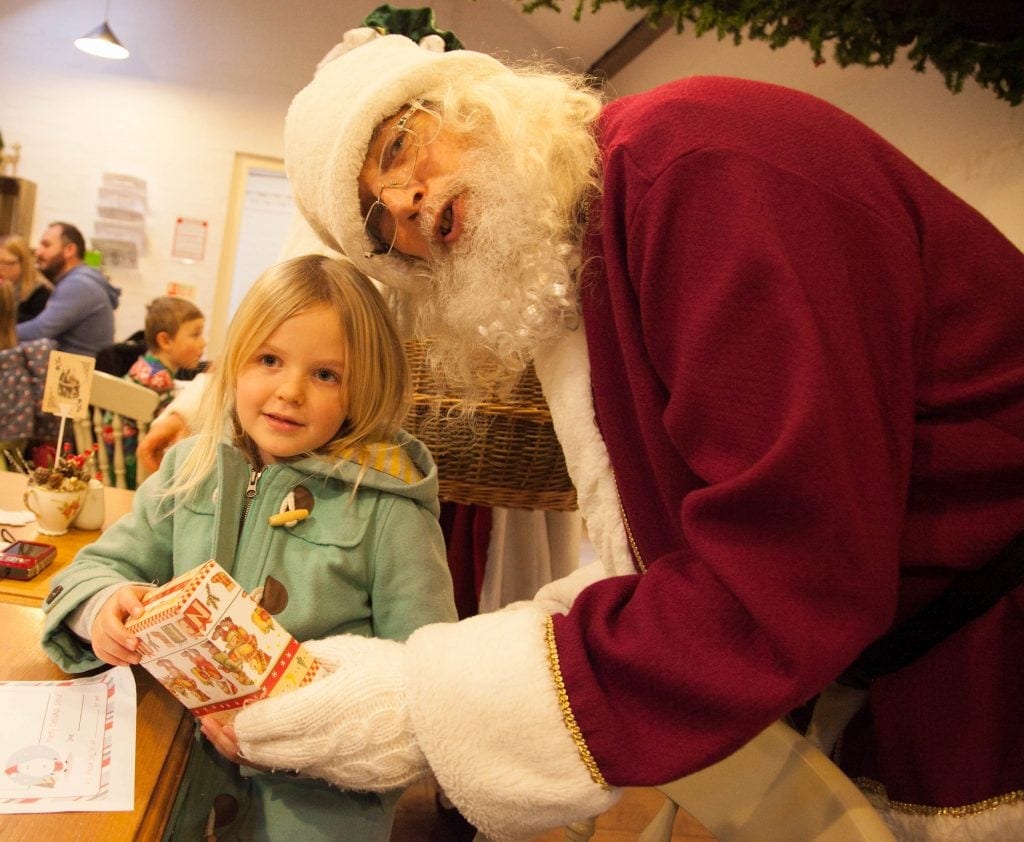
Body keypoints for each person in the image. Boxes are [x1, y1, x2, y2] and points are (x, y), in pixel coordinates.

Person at [191, 19, 1024, 841]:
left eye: (401, 143)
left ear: (474, 102)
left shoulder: (699, 168)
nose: (407, 200)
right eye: (381, 224)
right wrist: (431, 683)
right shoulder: (587, 263)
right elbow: (675, 554)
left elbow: (785, 574)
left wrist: (421, 703)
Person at [40, 254, 458, 840]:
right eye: (269, 359)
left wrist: (311, 738)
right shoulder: (193, 467)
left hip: (312, 810)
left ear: (365, 386)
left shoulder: (389, 511)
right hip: (169, 783)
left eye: (326, 374)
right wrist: (102, 608)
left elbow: (428, 682)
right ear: (234, 363)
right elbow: (97, 568)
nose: (289, 391)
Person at [103, 295, 207, 488]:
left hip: (114, 463)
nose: (203, 343)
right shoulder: (159, 380)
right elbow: (167, 437)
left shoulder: (144, 366)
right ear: (165, 341)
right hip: (138, 471)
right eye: (195, 335)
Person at [16, 222, 120, 356]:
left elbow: (40, 330)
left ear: (69, 250)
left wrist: (4, 333)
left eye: (46, 245)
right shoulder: (79, 280)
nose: (38, 251)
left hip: (76, 372)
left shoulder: (79, 285)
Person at [0, 233, 51, 322]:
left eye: (8, 263)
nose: (1, 268)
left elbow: (35, 327)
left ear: (24, 263)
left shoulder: (40, 292)